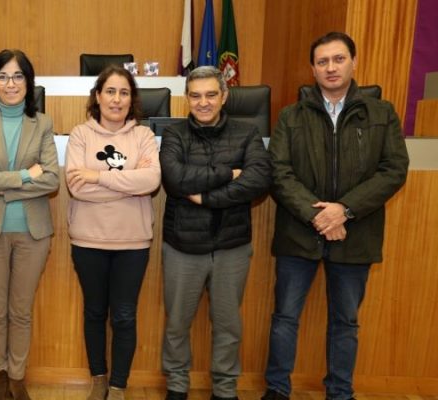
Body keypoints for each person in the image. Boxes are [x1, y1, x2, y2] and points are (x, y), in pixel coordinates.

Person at [262, 32, 409, 400]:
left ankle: (340, 393)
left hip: (355, 234)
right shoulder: (291, 116)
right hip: (299, 233)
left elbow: (393, 170)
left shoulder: (381, 114)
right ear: (312, 69)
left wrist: (344, 210)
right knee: (285, 317)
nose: (331, 67)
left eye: (338, 59)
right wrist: (320, 217)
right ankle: (277, 390)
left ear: (353, 63)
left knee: (345, 322)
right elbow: (279, 173)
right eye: (323, 61)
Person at [158, 66, 272, 400]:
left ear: (224, 96)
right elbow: (175, 180)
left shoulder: (248, 133)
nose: (203, 102)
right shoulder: (174, 134)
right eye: (195, 96)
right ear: (186, 98)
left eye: (211, 94)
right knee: (177, 323)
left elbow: (258, 180)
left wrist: (206, 197)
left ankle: (224, 388)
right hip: (183, 245)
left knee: (228, 324)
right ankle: (177, 385)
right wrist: (228, 173)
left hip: (231, 246)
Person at [0, 49, 59, 400]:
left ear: (28, 82)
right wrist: (24, 176)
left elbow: (52, 180)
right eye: (2, 76)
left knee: (20, 311)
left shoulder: (43, 123)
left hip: (33, 232)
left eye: (18, 76)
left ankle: (17, 376)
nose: (10, 83)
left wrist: (1, 188)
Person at [65, 65, 161, 400]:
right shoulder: (80, 134)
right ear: (97, 96)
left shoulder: (143, 136)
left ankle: (118, 385)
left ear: (132, 99)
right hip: (88, 240)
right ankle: (98, 380)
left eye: (124, 92)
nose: (116, 99)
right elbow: (76, 187)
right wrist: (128, 183)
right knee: (94, 312)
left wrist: (98, 176)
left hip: (132, 242)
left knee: (124, 316)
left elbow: (151, 180)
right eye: (110, 91)